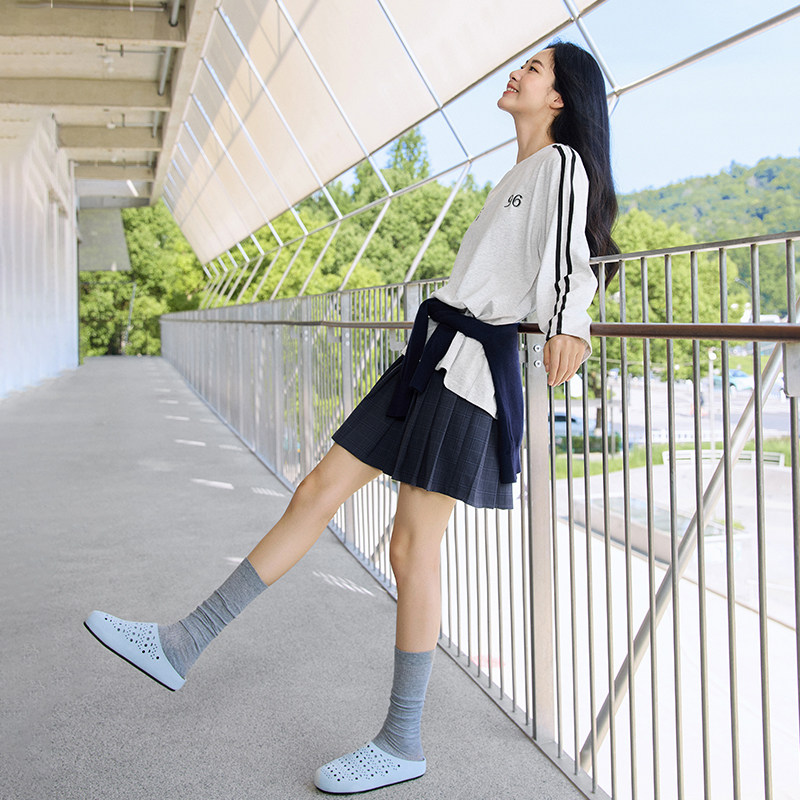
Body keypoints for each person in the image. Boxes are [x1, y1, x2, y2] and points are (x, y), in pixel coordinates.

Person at [84, 40, 618, 794]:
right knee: (316, 491)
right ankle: (182, 643)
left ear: (560, 98)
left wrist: (571, 326)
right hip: (431, 361)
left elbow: (571, 261)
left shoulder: (560, 165)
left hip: (469, 377)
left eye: (534, 69)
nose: (517, 71)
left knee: (411, 547)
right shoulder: (517, 173)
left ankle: (402, 740)